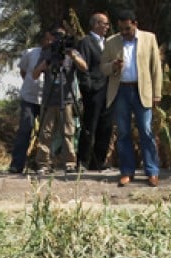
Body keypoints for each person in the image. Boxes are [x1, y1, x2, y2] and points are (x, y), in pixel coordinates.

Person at [101, 9, 164, 187]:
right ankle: (127, 171)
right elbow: (102, 68)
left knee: (146, 130)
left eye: (127, 28)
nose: (124, 32)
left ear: (135, 24)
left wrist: (157, 93)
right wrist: (113, 66)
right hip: (120, 90)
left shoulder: (149, 38)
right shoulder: (111, 42)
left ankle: (152, 171)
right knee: (123, 133)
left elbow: (155, 68)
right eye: (121, 29)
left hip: (142, 90)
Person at [32, 27, 88, 176]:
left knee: (68, 132)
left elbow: (84, 67)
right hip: (50, 99)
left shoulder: (72, 52)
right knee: (46, 132)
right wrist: (46, 63)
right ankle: (43, 163)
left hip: (67, 99)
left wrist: (73, 56)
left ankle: (69, 163)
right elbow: (34, 75)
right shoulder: (47, 52)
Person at [8, 30, 52, 174]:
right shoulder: (31, 53)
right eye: (47, 40)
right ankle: (17, 164)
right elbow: (23, 71)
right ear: (42, 40)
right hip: (30, 97)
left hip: (48, 99)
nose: (50, 43)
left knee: (47, 133)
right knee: (25, 129)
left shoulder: (58, 56)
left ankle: (43, 164)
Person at [77, 12, 112, 171]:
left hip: (109, 89)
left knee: (105, 126)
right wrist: (88, 86)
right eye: (104, 24)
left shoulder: (108, 43)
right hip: (94, 90)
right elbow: (82, 66)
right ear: (96, 24)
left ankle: (98, 161)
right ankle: (82, 161)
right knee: (90, 125)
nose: (107, 27)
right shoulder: (86, 42)